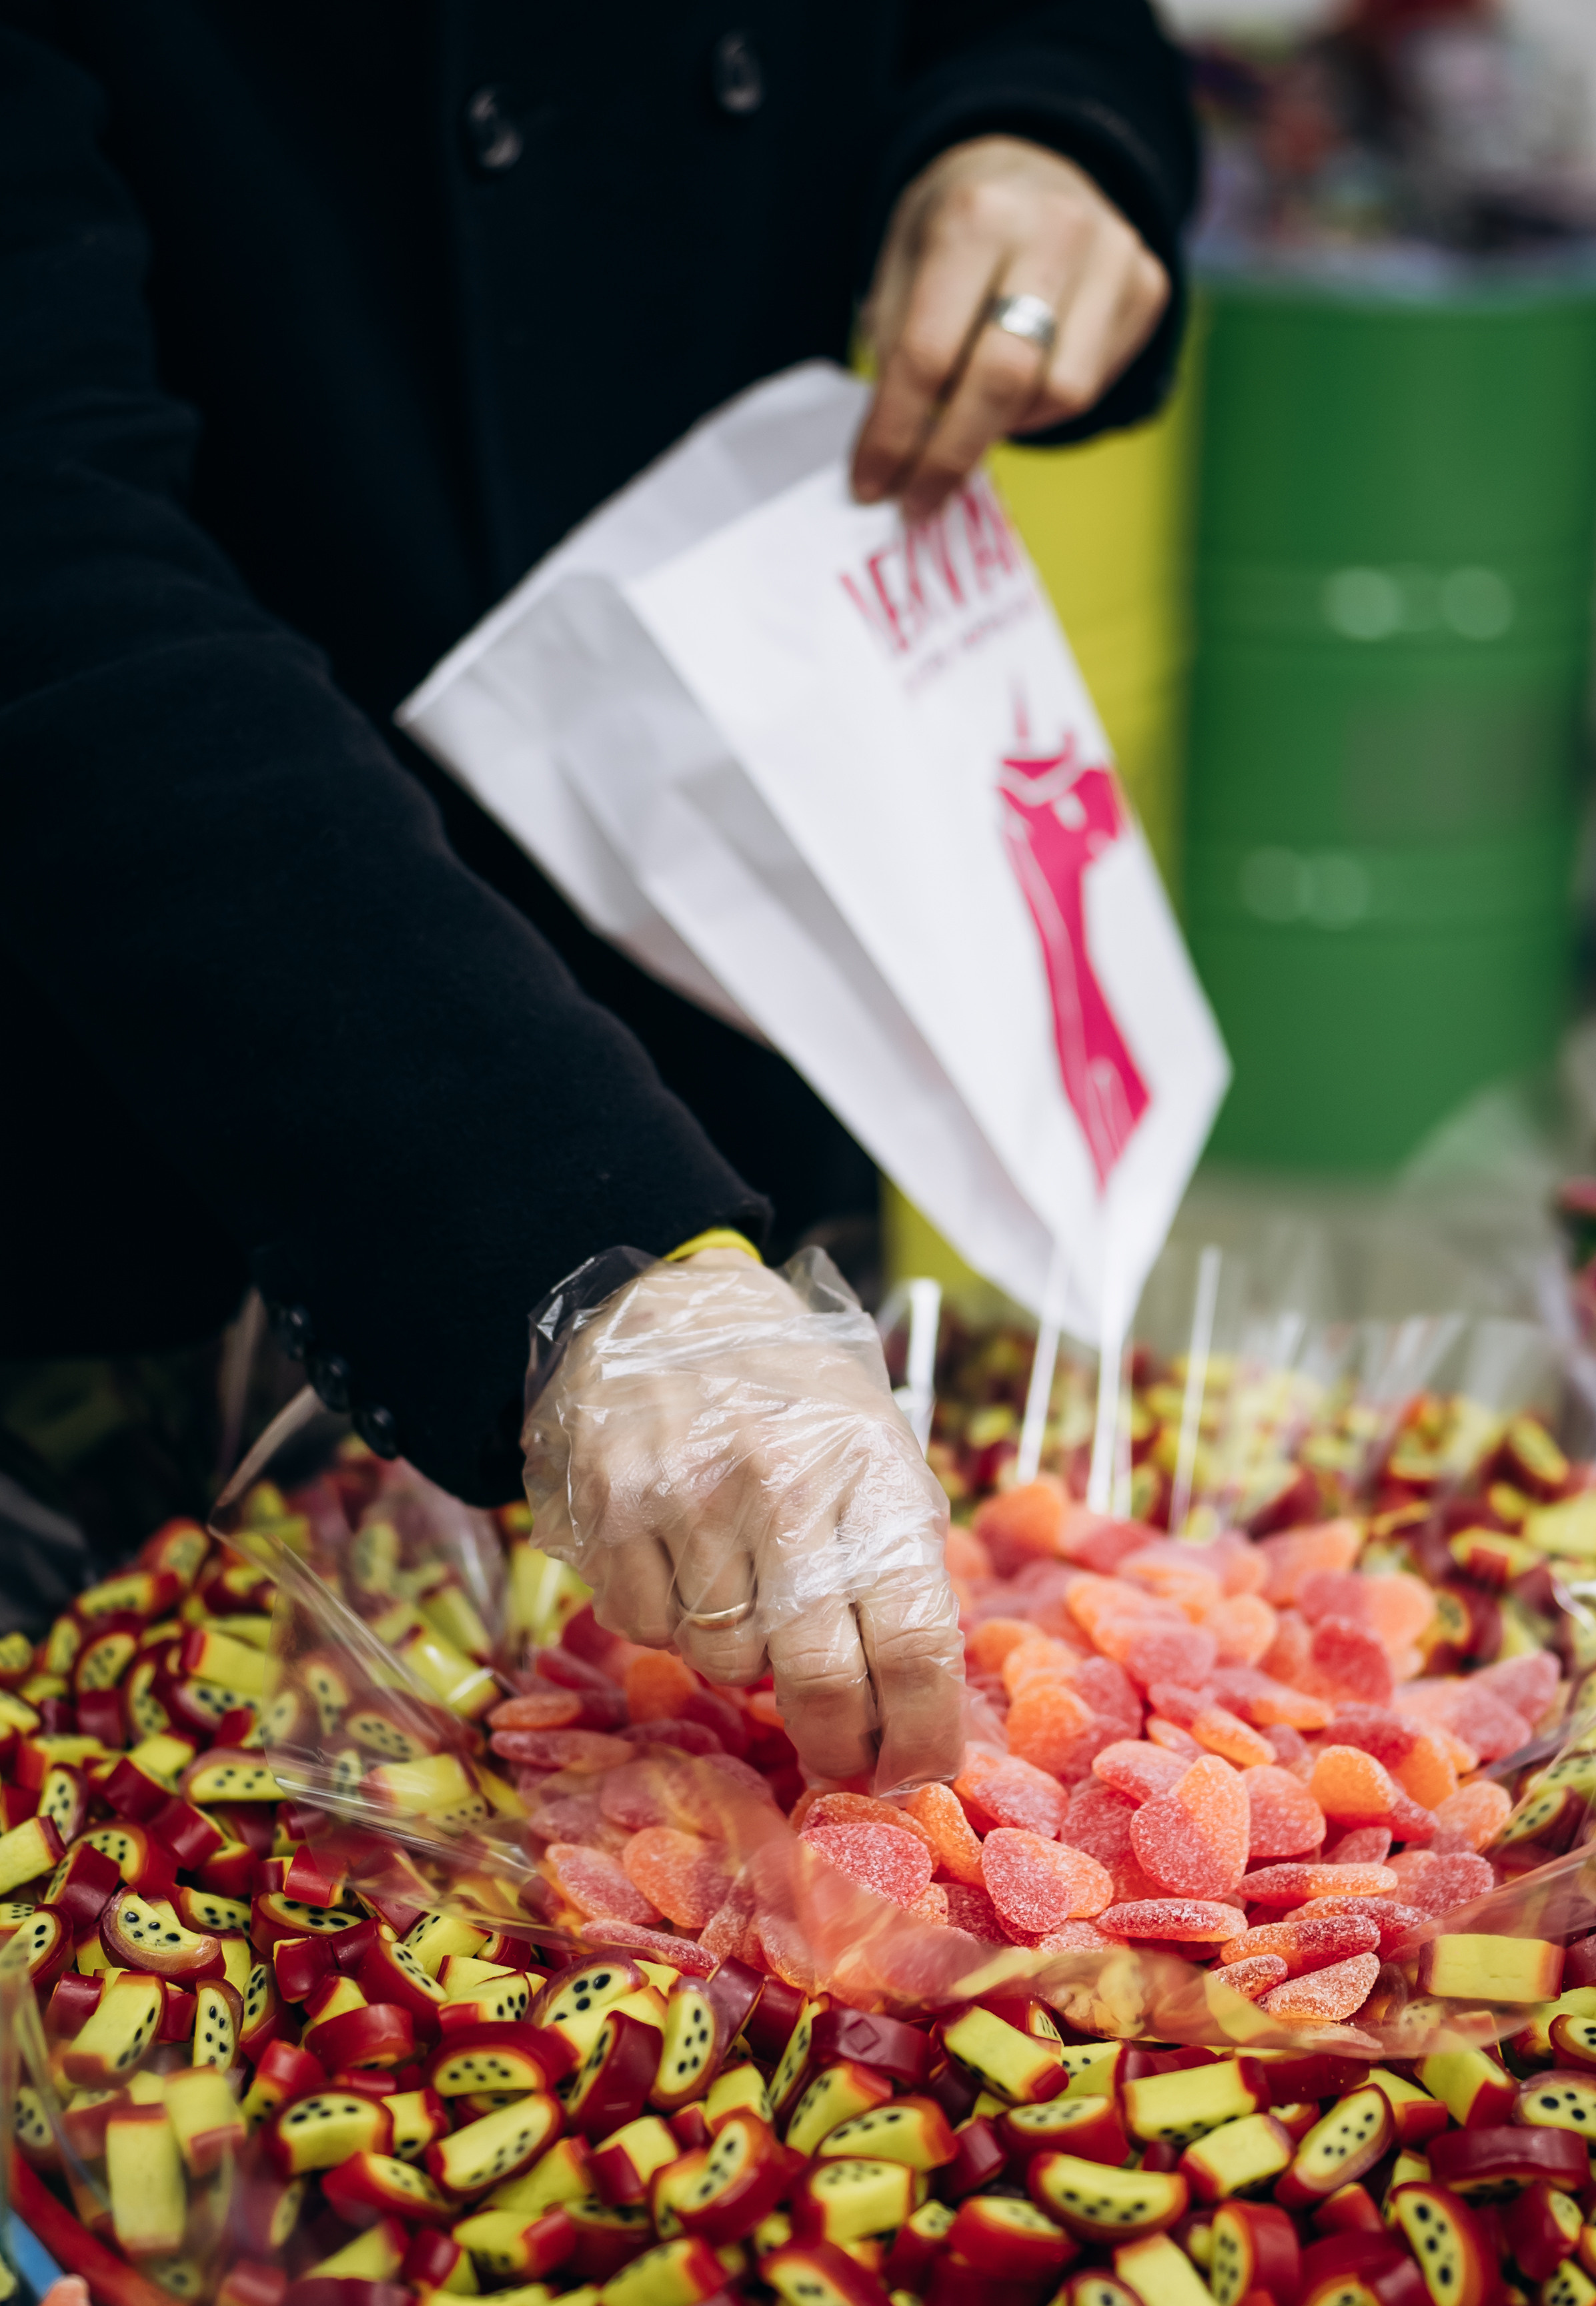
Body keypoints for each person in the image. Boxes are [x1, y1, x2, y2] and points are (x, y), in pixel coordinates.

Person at [0, 3, 1196, 1784]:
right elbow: (39, 536)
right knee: (136, 1864)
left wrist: (1040, 119)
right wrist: (570, 1247)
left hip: (716, 963)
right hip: (171, 1054)